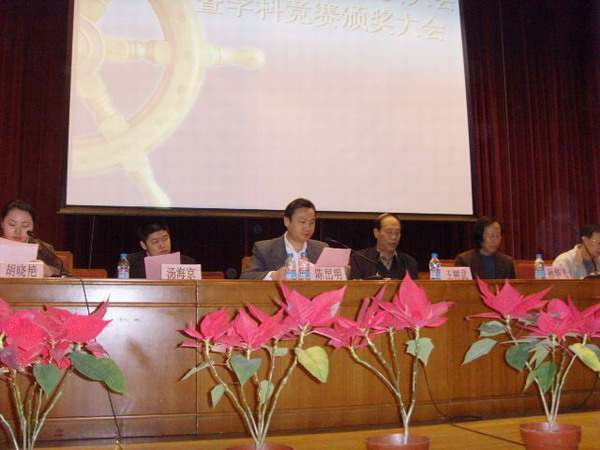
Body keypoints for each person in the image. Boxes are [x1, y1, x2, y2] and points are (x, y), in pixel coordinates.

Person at [240, 198, 328, 280]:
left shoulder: (321, 249)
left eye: (312, 222)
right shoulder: (265, 249)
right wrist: (274, 275)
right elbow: (246, 277)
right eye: (302, 222)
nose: (307, 227)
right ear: (287, 221)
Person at [0, 199, 62, 276]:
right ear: (2, 223)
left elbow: (63, 273)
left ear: (33, 226)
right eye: (12, 224)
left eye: (25, 226)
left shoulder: (45, 249)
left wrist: (49, 271)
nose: (18, 231)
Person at [349, 214, 418, 280]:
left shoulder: (409, 262)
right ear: (376, 232)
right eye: (389, 232)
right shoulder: (359, 259)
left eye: (397, 232)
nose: (394, 237)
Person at [127, 221, 196, 278]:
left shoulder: (187, 263)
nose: (162, 245)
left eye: (165, 239)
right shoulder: (130, 264)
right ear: (144, 245)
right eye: (155, 242)